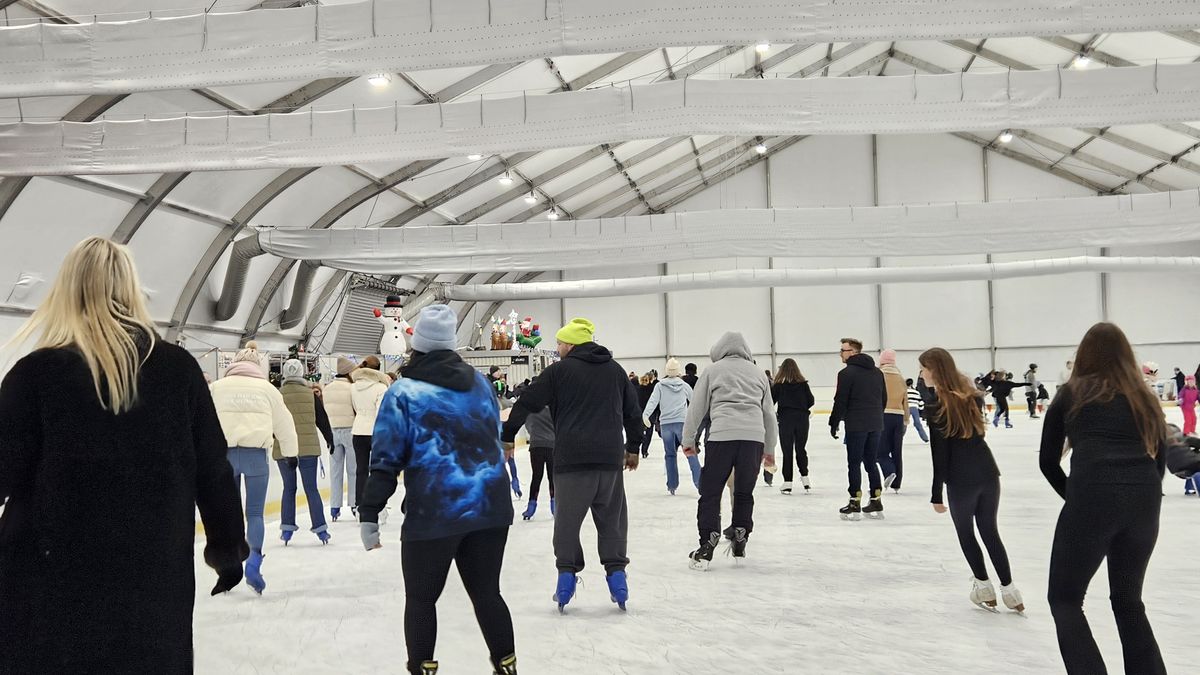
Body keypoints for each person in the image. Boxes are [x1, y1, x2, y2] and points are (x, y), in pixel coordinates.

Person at [0, 237, 248, 673]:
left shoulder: (36, 373)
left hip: (49, 572)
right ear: (133, 289)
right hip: (152, 572)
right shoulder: (178, 370)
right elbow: (212, 470)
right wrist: (226, 549)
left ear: (65, 290)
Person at [359, 305, 517, 675]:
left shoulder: (404, 392)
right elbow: (491, 437)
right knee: (487, 594)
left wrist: (369, 513)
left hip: (435, 512)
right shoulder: (479, 384)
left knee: (421, 600)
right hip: (490, 508)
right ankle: (507, 666)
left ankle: (422, 669)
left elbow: (385, 458)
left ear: (418, 345)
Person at [1040, 322, 1169, 675]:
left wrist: (1079, 499)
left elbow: (1047, 462)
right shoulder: (1145, 397)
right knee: (1129, 603)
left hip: (1092, 499)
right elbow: (1160, 461)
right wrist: (1140, 500)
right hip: (1144, 502)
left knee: (1065, 600)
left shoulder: (1070, 394)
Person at [501, 318, 642, 612]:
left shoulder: (558, 371)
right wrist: (633, 448)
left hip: (572, 461)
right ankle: (617, 577)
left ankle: (566, 579)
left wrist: (508, 435)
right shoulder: (615, 371)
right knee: (612, 520)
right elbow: (633, 412)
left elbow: (526, 401)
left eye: (560, 344)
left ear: (571, 344)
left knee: (567, 523)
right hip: (608, 459)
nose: (558, 348)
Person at [918, 348, 1023, 614]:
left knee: (966, 534)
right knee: (990, 532)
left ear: (934, 370)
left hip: (961, 479)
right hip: (988, 473)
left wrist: (935, 493)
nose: (920, 374)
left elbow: (939, 454)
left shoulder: (936, 405)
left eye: (923, 368)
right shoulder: (972, 397)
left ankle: (984, 587)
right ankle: (1011, 592)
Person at [210, 340, 299, 594]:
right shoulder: (268, 389)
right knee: (255, 513)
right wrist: (290, 454)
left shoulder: (217, 387)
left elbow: (202, 421)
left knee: (229, 513)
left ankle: (227, 569)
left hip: (224, 457)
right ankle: (254, 563)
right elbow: (284, 423)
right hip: (256, 456)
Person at [682, 332, 777, 569]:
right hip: (753, 439)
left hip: (722, 437)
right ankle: (741, 532)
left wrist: (688, 440)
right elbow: (769, 414)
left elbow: (697, 408)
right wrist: (770, 448)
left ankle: (707, 543)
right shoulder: (758, 372)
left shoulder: (712, 371)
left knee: (710, 492)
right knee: (744, 492)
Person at [274, 359, 334, 545]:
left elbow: (271, 421)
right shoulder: (310, 395)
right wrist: (329, 438)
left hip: (284, 450)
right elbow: (322, 420)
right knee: (311, 489)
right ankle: (321, 530)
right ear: (301, 373)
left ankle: (286, 530)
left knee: (289, 489)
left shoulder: (277, 395)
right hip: (308, 449)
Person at [829, 337, 886, 520]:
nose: (840, 353)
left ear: (853, 352)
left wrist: (834, 421)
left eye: (843, 350)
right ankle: (876, 498)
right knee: (870, 461)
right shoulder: (877, 373)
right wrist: (876, 415)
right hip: (875, 423)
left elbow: (841, 400)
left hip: (856, 424)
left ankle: (855, 501)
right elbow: (883, 398)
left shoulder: (846, 374)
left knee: (854, 462)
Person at [643, 358, 698, 495]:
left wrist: (645, 415)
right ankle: (700, 483)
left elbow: (652, 402)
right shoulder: (683, 385)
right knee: (690, 452)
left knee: (670, 454)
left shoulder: (660, 386)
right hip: (681, 423)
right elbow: (695, 401)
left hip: (666, 424)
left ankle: (672, 485)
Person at [351, 355, 391, 511]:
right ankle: (377, 504)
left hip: (358, 430)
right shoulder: (381, 388)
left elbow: (355, 407)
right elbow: (381, 413)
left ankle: (359, 503)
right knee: (378, 470)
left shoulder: (353, 387)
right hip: (376, 432)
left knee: (361, 470)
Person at [772, 358, 815, 494]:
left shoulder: (779, 385)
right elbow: (811, 401)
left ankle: (788, 482)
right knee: (801, 448)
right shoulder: (803, 384)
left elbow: (771, 401)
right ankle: (805, 478)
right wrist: (800, 407)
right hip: (802, 419)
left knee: (787, 450)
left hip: (786, 419)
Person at [324, 356, 357, 521]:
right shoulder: (353, 389)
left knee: (335, 471)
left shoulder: (327, 388)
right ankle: (354, 503)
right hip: (350, 431)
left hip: (333, 432)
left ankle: (334, 507)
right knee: (353, 470)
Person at [519, 386, 556, 520]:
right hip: (552, 446)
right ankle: (555, 506)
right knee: (552, 477)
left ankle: (531, 507)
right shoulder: (553, 411)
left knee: (536, 477)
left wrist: (536, 435)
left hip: (536, 446)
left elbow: (528, 426)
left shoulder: (531, 412)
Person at [877, 349, 908, 492]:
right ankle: (897, 484)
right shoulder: (900, 377)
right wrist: (906, 419)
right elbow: (905, 400)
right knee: (897, 451)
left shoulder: (879, 375)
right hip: (899, 416)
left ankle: (889, 471)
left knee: (880, 451)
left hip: (883, 415)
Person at [636, 373, 657, 459]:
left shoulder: (637, 389)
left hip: (639, 413)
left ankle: (637, 447)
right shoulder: (652, 389)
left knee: (640, 432)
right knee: (649, 433)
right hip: (650, 413)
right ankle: (645, 450)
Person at [906, 378, 929, 443]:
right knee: (917, 423)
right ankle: (925, 438)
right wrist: (920, 409)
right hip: (914, 408)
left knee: (904, 423)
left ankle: (899, 437)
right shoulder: (916, 392)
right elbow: (921, 402)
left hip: (906, 407)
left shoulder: (904, 391)